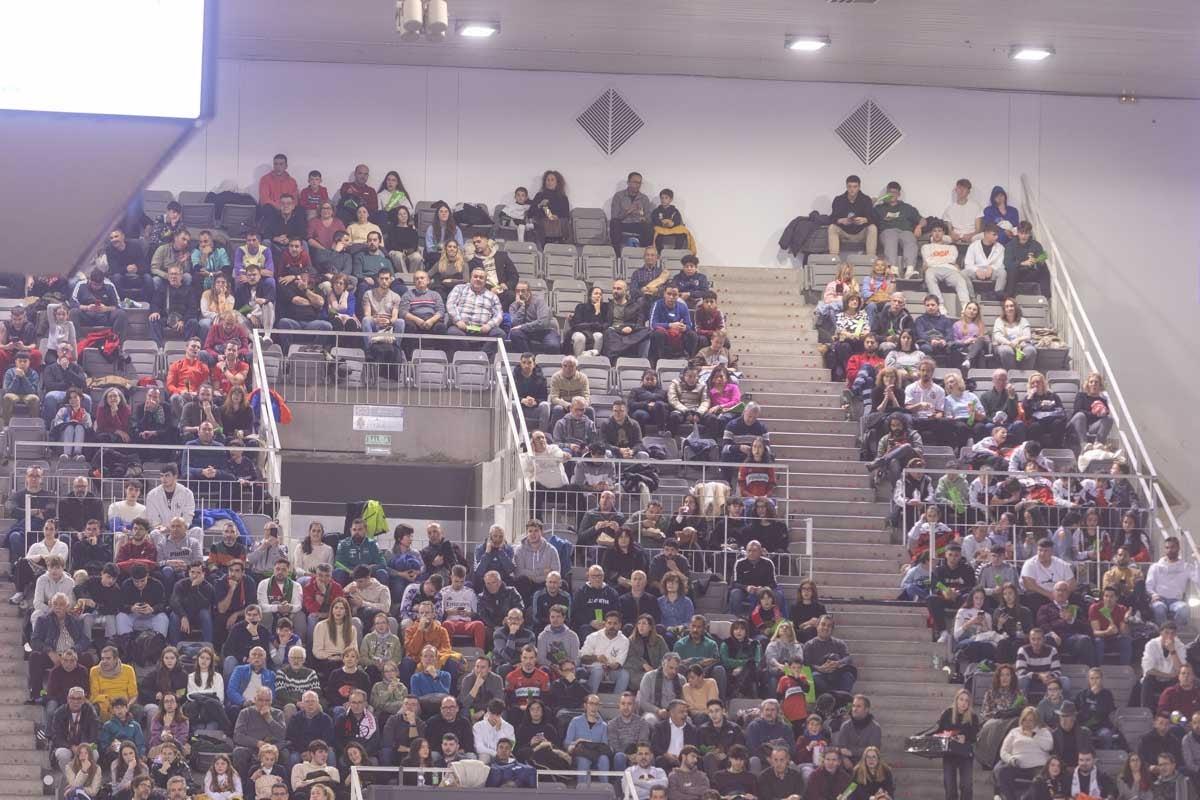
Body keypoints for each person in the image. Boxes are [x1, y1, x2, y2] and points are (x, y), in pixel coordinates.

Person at [993, 706, 1053, 800]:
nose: (1027, 723)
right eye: (1024, 720)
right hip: (1018, 765)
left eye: (1030, 720)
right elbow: (1003, 751)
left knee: (1040, 781)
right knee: (1002, 772)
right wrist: (1011, 759)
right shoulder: (1014, 732)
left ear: (1036, 721)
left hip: (1038, 767)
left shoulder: (1043, 732)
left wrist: (1033, 735)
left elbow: (1049, 746)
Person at [876, 180, 924, 277]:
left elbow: (923, 219)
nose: (892, 195)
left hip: (905, 231)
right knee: (891, 238)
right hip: (888, 231)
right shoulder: (879, 208)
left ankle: (910, 270)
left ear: (899, 194)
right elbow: (868, 217)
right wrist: (874, 201)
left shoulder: (907, 207)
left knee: (910, 239)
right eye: (889, 192)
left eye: (894, 192)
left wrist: (919, 226)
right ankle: (893, 269)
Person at [446, 267, 503, 345]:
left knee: (499, 334)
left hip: (484, 330)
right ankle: (467, 353)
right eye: (475, 276)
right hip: (460, 328)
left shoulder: (492, 296)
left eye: (481, 278)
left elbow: (499, 315)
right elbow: (450, 305)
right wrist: (458, 321)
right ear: (470, 278)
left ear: (485, 281)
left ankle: (483, 354)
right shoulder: (459, 289)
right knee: (453, 333)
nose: (478, 279)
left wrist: (489, 325)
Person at [802, 615, 857, 696]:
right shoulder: (809, 645)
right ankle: (832, 696)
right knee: (814, 677)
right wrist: (819, 668)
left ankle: (843, 699)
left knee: (848, 676)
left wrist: (838, 663)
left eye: (829, 626)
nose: (826, 628)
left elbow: (848, 658)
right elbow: (806, 664)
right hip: (819, 675)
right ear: (817, 626)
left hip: (837, 673)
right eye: (823, 624)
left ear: (832, 629)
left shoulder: (839, 643)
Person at [828, 175, 877, 257]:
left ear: (859, 187)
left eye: (855, 187)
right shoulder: (839, 199)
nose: (852, 189)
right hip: (844, 233)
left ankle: (870, 259)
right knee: (832, 227)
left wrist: (865, 220)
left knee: (872, 228)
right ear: (846, 187)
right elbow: (832, 218)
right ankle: (834, 259)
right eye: (849, 187)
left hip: (861, 233)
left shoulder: (866, 199)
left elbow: (874, 218)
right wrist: (841, 220)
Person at [1148, 537, 1192, 628]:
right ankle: (1163, 632)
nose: (1170, 550)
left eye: (1172, 547)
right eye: (1167, 548)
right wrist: (1153, 595)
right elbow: (1149, 585)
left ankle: (1174, 633)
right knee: (1159, 608)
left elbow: (1198, 579)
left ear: (1178, 548)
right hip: (1159, 599)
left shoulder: (1186, 567)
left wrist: (1197, 560)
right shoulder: (1155, 566)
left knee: (1184, 609)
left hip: (1176, 601)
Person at [1143, 622, 1188, 710]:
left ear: (1175, 634)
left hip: (1172, 680)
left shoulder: (1180, 646)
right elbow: (1148, 669)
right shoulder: (1151, 645)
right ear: (1161, 633)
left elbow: (1180, 669)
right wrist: (1169, 675)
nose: (1169, 636)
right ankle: (1147, 712)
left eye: (1172, 633)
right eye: (1166, 632)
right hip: (1155, 678)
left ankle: (1169, 713)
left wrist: (1172, 651)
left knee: (1178, 680)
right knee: (1147, 679)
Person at [1068, 371, 1115, 452]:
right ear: (1088, 384)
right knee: (1080, 415)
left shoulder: (1102, 400)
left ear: (1100, 385)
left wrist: (1102, 412)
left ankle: (1098, 445)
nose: (1093, 384)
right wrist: (1094, 414)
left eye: (1096, 382)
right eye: (1091, 382)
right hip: (1076, 423)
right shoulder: (1081, 395)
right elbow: (1077, 410)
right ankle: (1084, 445)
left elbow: (1106, 414)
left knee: (1109, 419)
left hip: (1091, 427)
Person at [506, 281, 558, 353]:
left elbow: (543, 323)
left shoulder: (539, 301)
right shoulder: (513, 306)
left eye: (523, 291)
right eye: (518, 291)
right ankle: (529, 358)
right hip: (526, 332)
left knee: (553, 345)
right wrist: (522, 307)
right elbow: (514, 324)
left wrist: (522, 326)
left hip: (544, 331)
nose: (520, 294)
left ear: (529, 291)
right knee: (514, 334)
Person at [1003, 221, 1051, 297]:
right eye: (1021, 233)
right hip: (1016, 273)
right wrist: (1022, 263)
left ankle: (1045, 297)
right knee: (1012, 269)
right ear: (1018, 233)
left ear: (1030, 233)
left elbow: (1042, 256)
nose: (1024, 236)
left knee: (1044, 268)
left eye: (1026, 233)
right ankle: (1010, 296)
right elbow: (1007, 263)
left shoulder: (1035, 244)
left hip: (1030, 272)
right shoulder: (1010, 245)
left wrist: (1037, 260)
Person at [611, 172, 654, 248]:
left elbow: (649, 218)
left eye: (639, 183)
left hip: (638, 224)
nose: (637, 185)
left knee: (649, 227)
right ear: (628, 182)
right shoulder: (618, 196)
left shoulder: (644, 198)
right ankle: (617, 255)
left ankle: (644, 252)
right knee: (614, 223)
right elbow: (615, 216)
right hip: (623, 223)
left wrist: (645, 219)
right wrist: (628, 211)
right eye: (635, 182)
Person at [567, 284, 610, 356]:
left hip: (595, 332)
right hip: (580, 332)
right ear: (590, 296)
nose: (599, 296)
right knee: (580, 337)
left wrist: (597, 311)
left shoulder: (605, 308)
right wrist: (594, 325)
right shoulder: (581, 307)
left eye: (600, 294)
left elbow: (603, 326)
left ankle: (593, 359)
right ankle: (579, 360)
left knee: (599, 335)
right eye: (596, 293)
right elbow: (577, 325)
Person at [992, 297, 1035, 369]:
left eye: (1011, 306)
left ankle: (1026, 375)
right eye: (1007, 306)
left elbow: (1027, 336)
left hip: (1021, 345)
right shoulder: (999, 320)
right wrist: (1009, 343)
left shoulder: (1023, 320)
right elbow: (997, 336)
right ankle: (1012, 374)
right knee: (1006, 351)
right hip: (1004, 345)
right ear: (1004, 309)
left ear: (1016, 307)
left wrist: (1018, 340)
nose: (1009, 308)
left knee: (1031, 350)